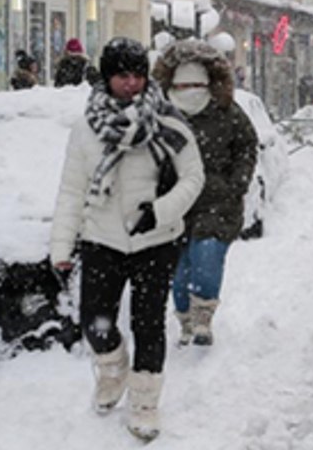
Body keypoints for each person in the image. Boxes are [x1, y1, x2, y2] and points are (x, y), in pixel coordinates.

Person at [49, 37, 205, 441]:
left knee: (148, 323)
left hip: (156, 240)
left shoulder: (167, 122)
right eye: (122, 75)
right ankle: (113, 369)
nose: (132, 83)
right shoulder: (87, 128)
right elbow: (71, 190)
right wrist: (61, 246)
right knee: (95, 321)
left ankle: (145, 403)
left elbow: (193, 178)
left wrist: (159, 211)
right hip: (102, 239)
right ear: (107, 78)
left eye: (138, 75)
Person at [152, 40, 258, 347]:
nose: (190, 91)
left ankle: (203, 317)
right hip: (175, 202)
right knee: (180, 268)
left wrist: (236, 184)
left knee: (207, 255)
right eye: (183, 85)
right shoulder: (161, 114)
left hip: (217, 201)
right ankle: (185, 318)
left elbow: (247, 146)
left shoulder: (227, 112)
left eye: (196, 85)